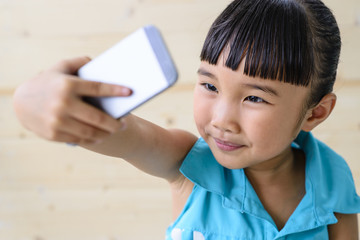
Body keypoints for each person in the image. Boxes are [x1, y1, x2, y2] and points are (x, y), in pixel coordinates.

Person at [13, 0, 360, 239]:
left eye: (254, 97)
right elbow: (119, 132)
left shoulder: (333, 178)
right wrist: (29, 102)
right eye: (210, 85)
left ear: (315, 112)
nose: (222, 119)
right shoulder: (186, 163)